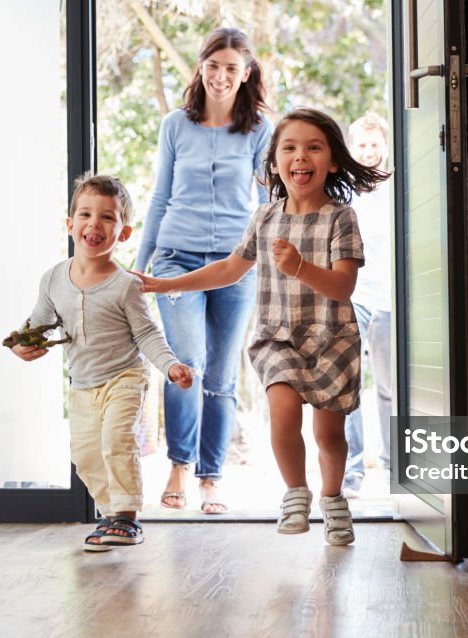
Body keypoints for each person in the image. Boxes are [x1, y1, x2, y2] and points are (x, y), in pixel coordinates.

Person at [135, 108, 390, 545]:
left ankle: (333, 498)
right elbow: (230, 269)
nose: (300, 156)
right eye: (288, 148)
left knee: (329, 434)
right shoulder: (265, 218)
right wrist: (166, 282)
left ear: (331, 160)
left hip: (332, 338)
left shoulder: (341, 218)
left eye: (313, 147)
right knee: (283, 413)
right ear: (273, 163)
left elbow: (344, 286)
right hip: (279, 338)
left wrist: (300, 267)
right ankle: (295, 492)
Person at [11, 172, 194, 551]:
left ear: (123, 233)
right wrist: (21, 344)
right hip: (82, 384)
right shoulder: (52, 279)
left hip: (124, 376)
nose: (95, 223)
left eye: (108, 217)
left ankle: (127, 518)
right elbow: (38, 324)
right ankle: (110, 514)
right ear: (70, 225)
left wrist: (170, 365)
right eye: (85, 215)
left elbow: (146, 334)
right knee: (86, 454)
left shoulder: (126, 284)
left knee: (116, 440)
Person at [133, 27, 273, 514]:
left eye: (231, 68)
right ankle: (178, 466)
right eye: (213, 66)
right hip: (176, 259)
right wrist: (139, 265)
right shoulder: (176, 124)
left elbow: (266, 204)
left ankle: (211, 477)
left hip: (237, 265)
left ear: (246, 73)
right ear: (200, 68)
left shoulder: (259, 130)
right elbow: (159, 196)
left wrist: (270, 262)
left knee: (221, 373)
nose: (220, 76)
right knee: (184, 364)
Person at [342, 113, 394, 498]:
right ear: (351, 148)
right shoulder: (344, 193)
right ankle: (352, 471)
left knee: (389, 388)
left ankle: (394, 466)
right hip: (353, 297)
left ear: (385, 147)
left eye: (375, 144)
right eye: (361, 144)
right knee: (350, 386)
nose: (369, 151)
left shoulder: (397, 187)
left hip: (390, 298)